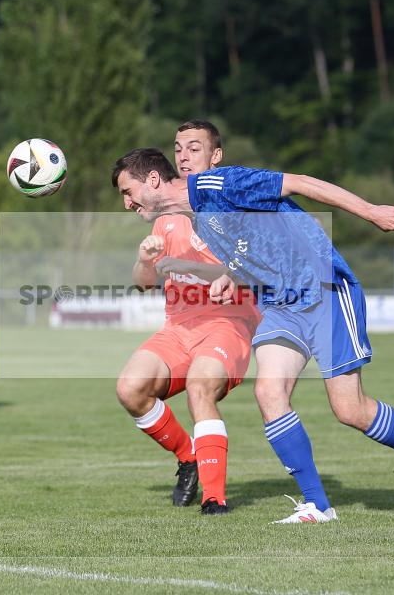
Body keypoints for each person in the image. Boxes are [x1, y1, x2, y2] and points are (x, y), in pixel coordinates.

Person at [111, 148, 394, 523]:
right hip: (282, 304)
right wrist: (230, 276)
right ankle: (318, 505)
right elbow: (253, 248)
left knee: (350, 410)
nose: (126, 203)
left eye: (127, 191)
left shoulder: (220, 182)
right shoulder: (201, 218)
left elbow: (299, 183)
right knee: (268, 392)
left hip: (323, 290)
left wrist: (370, 211)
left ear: (152, 180)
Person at [116, 121, 259, 515]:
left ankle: (215, 499)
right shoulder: (165, 218)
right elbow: (144, 283)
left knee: (200, 385)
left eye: (129, 192)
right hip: (178, 328)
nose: (182, 156)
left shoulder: (226, 206)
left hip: (228, 324)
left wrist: (196, 269)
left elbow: (252, 264)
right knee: (130, 388)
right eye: (179, 149)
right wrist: (146, 261)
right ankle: (188, 458)